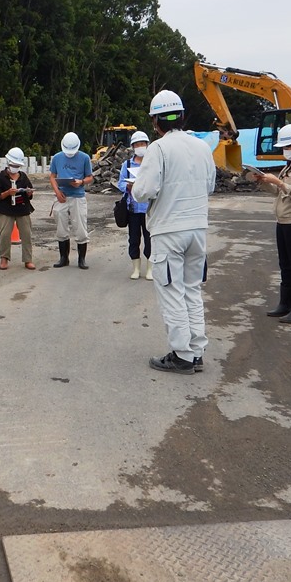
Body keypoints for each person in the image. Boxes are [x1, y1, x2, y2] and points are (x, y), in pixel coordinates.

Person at [132, 90, 216, 375]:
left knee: (172, 292)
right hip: (197, 229)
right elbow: (210, 186)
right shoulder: (202, 147)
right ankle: (196, 351)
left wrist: (135, 187)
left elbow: (144, 191)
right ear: (181, 116)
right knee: (192, 290)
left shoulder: (158, 149)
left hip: (169, 230)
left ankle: (182, 355)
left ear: (156, 122)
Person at [249, 123, 291, 324]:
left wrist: (278, 182)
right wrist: (264, 181)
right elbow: (279, 192)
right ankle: (285, 304)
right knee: (285, 264)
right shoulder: (290, 166)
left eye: (288, 147)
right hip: (283, 221)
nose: (285, 151)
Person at [49, 132, 94, 269]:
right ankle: (64, 258)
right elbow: (52, 176)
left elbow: (90, 177)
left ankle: (81, 259)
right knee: (61, 227)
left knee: (80, 227)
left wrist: (81, 182)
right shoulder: (57, 158)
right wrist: (57, 192)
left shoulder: (84, 158)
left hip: (78, 196)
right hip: (62, 196)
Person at [117, 131, 153, 280]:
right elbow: (120, 183)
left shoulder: (152, 163)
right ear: (132, 147)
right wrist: (128, 186)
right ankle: (136, 268)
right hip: (133, 209)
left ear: (147, 145)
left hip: (149, 209)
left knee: (150, 239)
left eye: (142, 144)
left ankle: (150, 269)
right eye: (137, 144)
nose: (140, 147)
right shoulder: (126, 165)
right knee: (133, 239)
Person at [0, 147, 36, 270]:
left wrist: (29, 192)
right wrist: (8, 193)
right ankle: (4, 258)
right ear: (8, 162)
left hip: (23, 208)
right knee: (5, 234)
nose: (15, 167)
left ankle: (28, 259)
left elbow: (30, 193)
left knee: (26, 234)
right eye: (13, 165)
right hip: (6, 209)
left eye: (17, 165)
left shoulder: (23, 176)